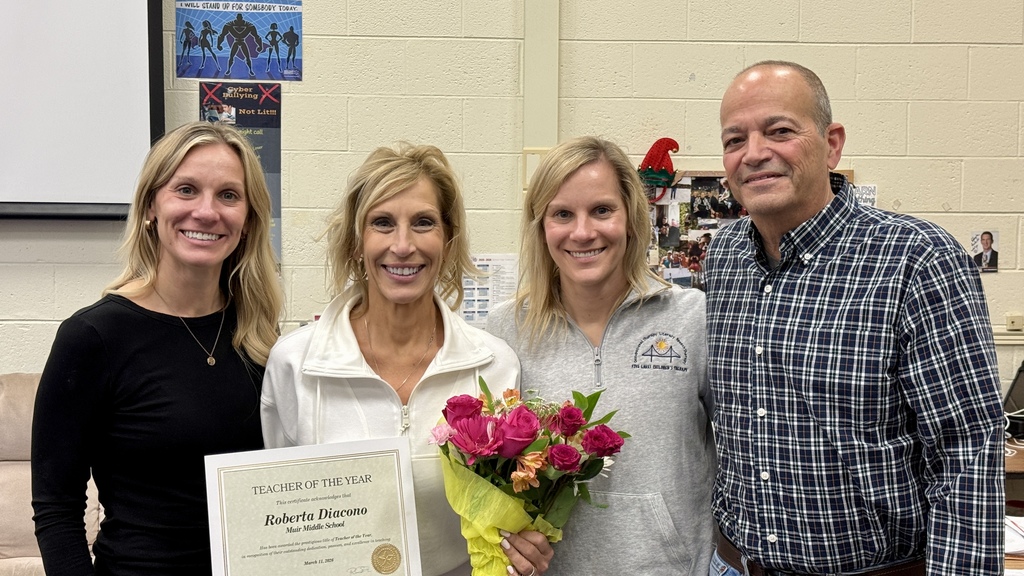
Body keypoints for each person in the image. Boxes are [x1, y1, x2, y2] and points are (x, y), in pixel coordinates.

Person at [705, 61, 1004, 575]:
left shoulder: (916, 259)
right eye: (736, 140)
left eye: (779, 131)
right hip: (733, 564)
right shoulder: (725, 256)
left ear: (832, 143)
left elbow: (968, 449)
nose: (754, 153)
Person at [260, 143, 554, 576]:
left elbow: (506, 514)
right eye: (382, 223)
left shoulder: (493, 366)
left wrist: (526, 552)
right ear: (357, 241)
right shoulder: (295, 363)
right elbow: (278, 518)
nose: (402, 245)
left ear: (448, 240)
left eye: (423, 223)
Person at [32, 121, 285, 575]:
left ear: (248, 221)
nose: (207, 212)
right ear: (151, 205)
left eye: (229, 195)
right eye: (185, 190)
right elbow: (56, 508)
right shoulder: (93, 337)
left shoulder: (261, 337)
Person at [487, 136, 716, 575]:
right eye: (562, 214)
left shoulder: (691, 316)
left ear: (630, 218)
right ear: (542, 227)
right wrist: (504, 538)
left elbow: (740, 449)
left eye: (602, 210)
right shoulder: (505, 329)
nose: (583, 232)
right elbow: (490, 476)